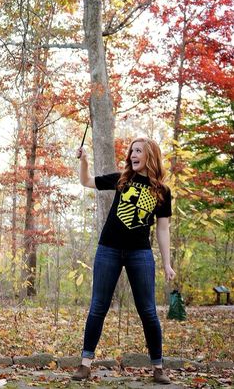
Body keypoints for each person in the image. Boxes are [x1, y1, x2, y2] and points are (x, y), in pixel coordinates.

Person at [73, 138, 175, 384]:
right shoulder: (122, 179)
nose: (132, 155)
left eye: (138, 151)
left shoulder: (162, 191)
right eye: (132, 151)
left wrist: (167, 263)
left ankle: (158, 367)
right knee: (98, 306)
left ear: (150, 155)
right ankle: (85, 364)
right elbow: (86, 181)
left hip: (140, 253)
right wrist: (85, 161)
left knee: (148, 311)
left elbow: (163, 229)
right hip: (108, 249)